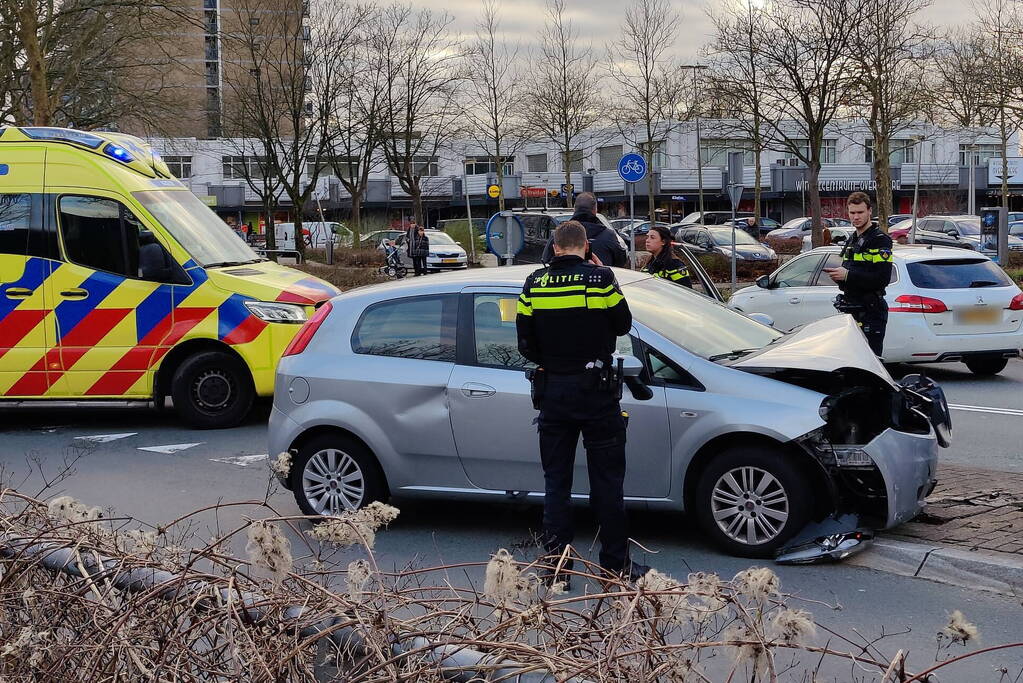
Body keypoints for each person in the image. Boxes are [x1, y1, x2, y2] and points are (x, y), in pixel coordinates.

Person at [516, 220, 649, 587]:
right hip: (597, 393)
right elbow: (622, 325)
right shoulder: (600, 279)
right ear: (586, 246)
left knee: (555, 482)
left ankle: (557, 570)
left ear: (555, 248)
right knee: (607, 483)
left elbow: (524, 343)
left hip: (554, 393)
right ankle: (614, 568)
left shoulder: (534, 284)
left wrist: (554, 362)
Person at [823, 192, 893, 356]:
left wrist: (847, 276)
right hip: (852, 307)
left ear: (870, 211)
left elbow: (882, 278)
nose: (856, 217)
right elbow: (851, 271)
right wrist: (839, 276)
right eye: (852, 213)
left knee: (870, 362)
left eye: (860, 212)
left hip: (870, 310)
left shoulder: (879, 240)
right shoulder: (853, 239)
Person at [540, 192, 628, 267]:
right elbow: (621, 261)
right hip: (598, 283)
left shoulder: (558, 234)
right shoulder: (608, 235)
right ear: (595, 209)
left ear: (574, 209)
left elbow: (545, 260)